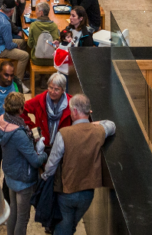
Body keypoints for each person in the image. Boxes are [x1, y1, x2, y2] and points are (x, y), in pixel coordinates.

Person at [41, 94, 116, 235]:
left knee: (63, 228)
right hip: (88, 193)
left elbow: (51, 165)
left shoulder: (64, 134)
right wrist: (95, 123)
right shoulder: (99, 131)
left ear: (75, 111)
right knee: (71, 226)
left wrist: (44, 178)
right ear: (89, 111)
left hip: (67, 191)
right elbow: (112, 125)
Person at [0, 91, 48, 235]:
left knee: (13, 212)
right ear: (20, 110)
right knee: (22, 218)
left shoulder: (2, 121)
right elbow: (35, 161)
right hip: (24, 180)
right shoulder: (19, 134)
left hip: (10, 175)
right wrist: (44, 154)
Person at [22, 72, 72, 148]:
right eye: (50, 87)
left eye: (56, 89)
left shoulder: (71, 103)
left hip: (63, 146)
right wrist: (34, 129)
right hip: (42, 145)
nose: (52, 92)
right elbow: (20, 109)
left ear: (63, 90)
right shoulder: (40, 99)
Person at [0, 0, 29, 79]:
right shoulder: (5, 24)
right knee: (25, 55)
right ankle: (19, 82)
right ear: (12, 11)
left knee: (24, 43)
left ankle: (23, 70)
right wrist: (16, 46)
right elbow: (9, 45)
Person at [27, 1, 61, 66]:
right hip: (51, 60)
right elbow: (56, 44)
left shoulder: (33, 25)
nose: (35, 12)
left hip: (37, 59)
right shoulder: (54, 26)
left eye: (36, 10)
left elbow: (30, 44)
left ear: (41, 13)